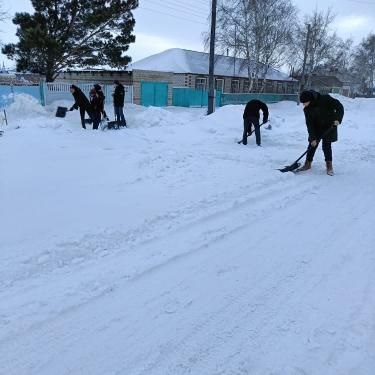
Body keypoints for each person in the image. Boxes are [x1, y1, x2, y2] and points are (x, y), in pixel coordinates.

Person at [299, 90, 344, 176]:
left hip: (330, 126)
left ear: (310, 99)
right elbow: (309, 124)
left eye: (305, 102)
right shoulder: (307, 109)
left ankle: (329, 166)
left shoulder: (325, 99)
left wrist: (338, 119)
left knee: (326, 146)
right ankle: (307, 164)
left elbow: (339, 107)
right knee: (312, 145)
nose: (304, 104)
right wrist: (312, 138)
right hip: (317, 128)